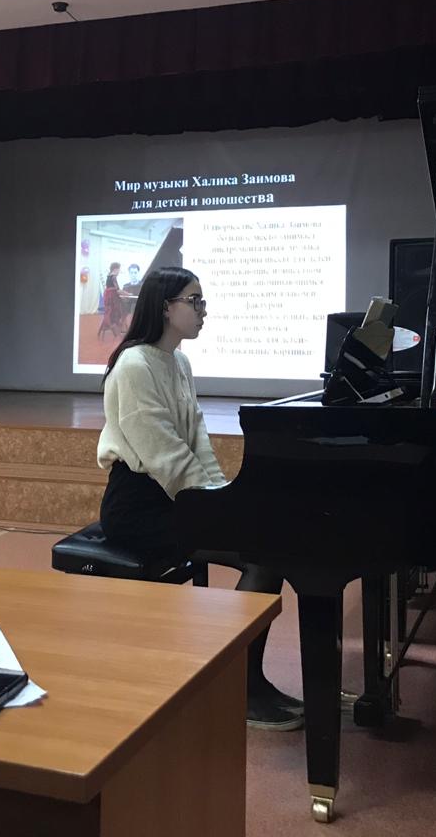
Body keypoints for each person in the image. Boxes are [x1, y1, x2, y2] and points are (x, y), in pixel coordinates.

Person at [96, 267, 303, 731]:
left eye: (202, 301)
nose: (202, 311)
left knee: (269, 546)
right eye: (194, 301)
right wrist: (214, 510)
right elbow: (164, 455)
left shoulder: (179, 363)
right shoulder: (134, 366)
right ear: (164, 307)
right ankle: (239, 687)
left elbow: (197, 441)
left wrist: (225, 495)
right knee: (261, 556)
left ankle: (250, 681)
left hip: (178, 499)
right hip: (139, 506)